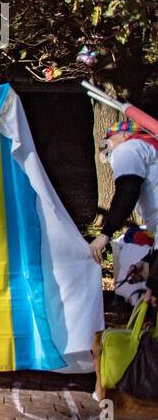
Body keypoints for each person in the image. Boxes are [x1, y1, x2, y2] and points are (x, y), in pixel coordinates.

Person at [90, 119, 158, 305]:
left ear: (125, 135)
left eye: (109, 138)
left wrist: (105, 234)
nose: (105, 145)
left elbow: (128, 190)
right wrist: (146, 262)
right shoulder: (149, 149)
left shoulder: (127, 149)